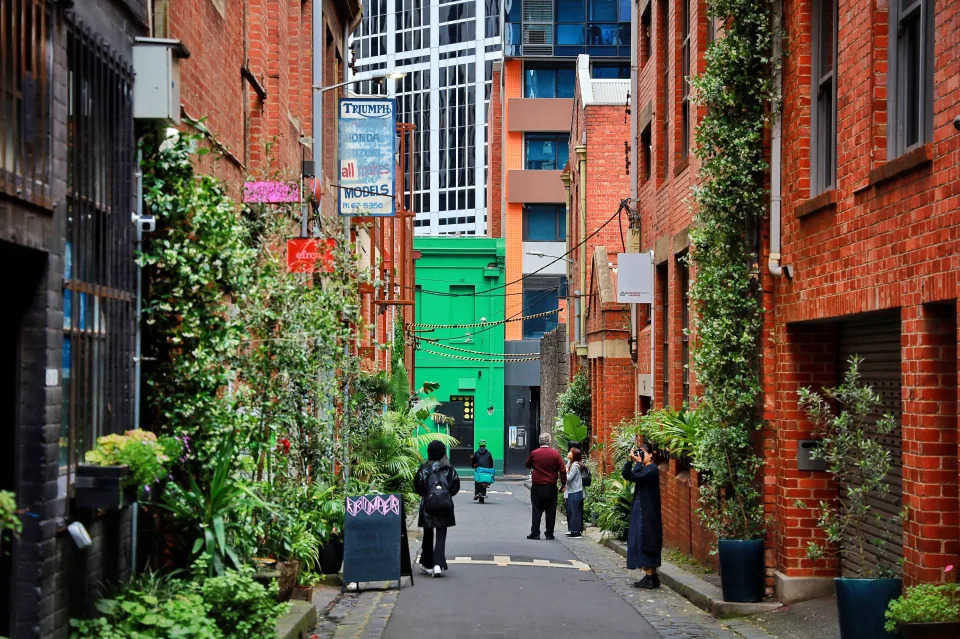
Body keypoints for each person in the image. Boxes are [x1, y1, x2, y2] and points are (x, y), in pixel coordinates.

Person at [414, 440, 461, 577]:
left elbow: (418, 487)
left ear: (429, 452)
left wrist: (429, 495)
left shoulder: (424, 468)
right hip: (444, 506)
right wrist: (444, 496)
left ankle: (427, 563)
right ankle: (438, 565)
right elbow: (455, 486)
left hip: (428, 506)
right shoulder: (449, 468)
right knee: (441, 535)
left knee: (428, 535)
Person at [622, 440, 663, 588]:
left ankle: (651, 577)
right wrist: (630, 460)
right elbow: (628, 475)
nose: (640, 455)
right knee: (639, 539)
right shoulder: (644, 468)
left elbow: (638, 476)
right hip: (640, 509)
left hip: (648, 512)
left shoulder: (652, 470)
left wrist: (638, 463)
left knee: (647, 540)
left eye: (643, 453)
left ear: (651, 455)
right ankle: (650, 575)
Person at [525, 433, 566, 540]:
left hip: (537, 486)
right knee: (551, 511)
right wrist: (563, 484)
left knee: (536, 509)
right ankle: (549, 533)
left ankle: (535, 532)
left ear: (540, 442)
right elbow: (562, 470)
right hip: (550, 486)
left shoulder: (535, 453)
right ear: (549, 441)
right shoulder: (555, 454)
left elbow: (527, 464)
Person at [564, 447, 585, 539]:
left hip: (575, 491)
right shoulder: (572, 463)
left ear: (574, 456)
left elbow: (569, 478)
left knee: (575, 512)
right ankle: (573, 530)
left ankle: (576, 532)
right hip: (573, 491)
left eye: (570, 452)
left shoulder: (575, 466)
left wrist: (564, 471)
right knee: (571, 511)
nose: (568, 453)